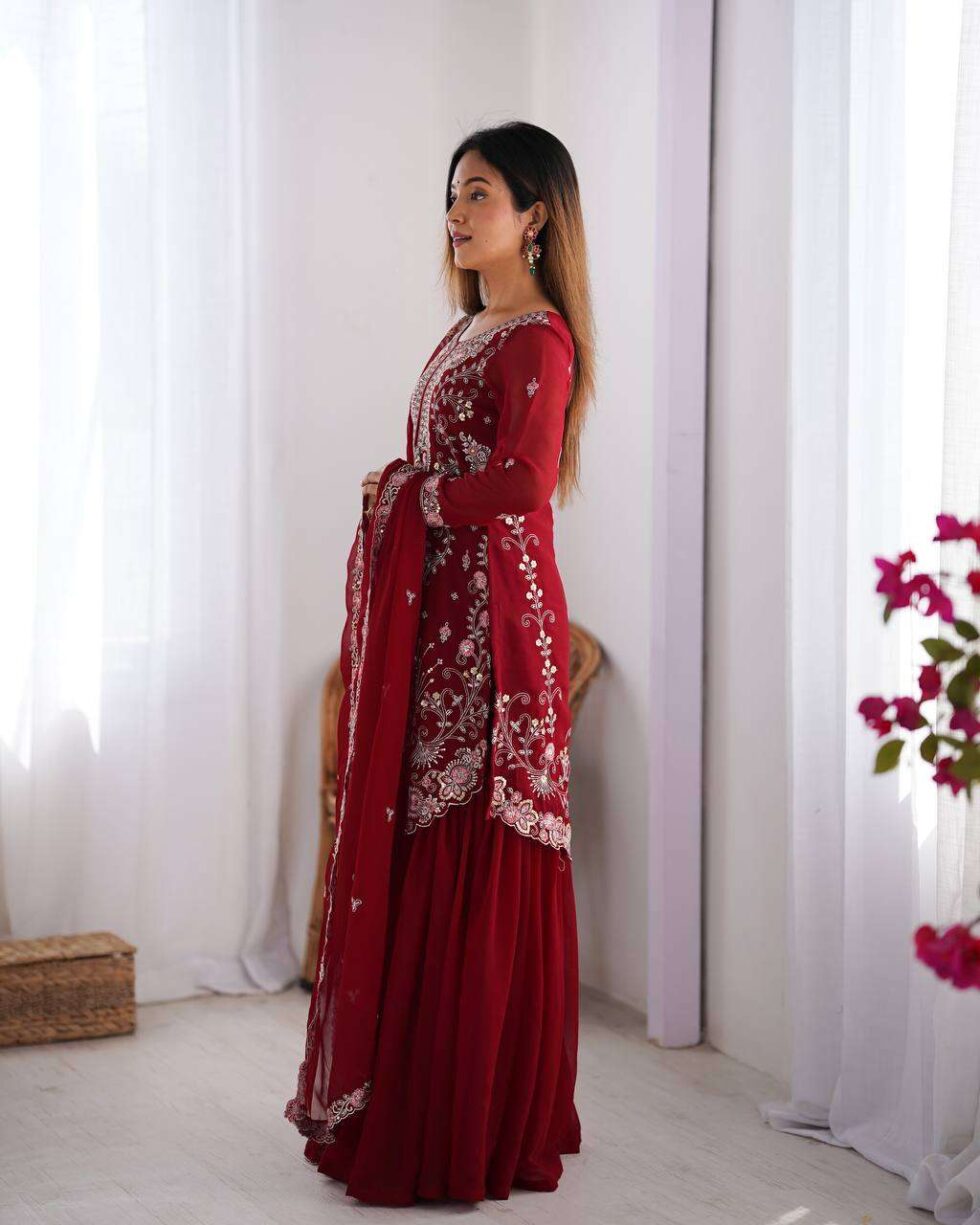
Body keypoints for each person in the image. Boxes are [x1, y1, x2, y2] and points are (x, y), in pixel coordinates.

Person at [283, 119, 596, 1206]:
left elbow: (523, 483)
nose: (456, 214)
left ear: (535, 216)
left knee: (475, 852)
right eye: (453, 195)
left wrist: (411, 494)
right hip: (442, 630)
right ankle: (412, 1102)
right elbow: (453, 473)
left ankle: (472, 1126)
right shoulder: (466, 332)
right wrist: (404, 488)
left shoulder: (539, 340)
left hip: (500, 641)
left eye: (478, 194)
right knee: (428, 845)